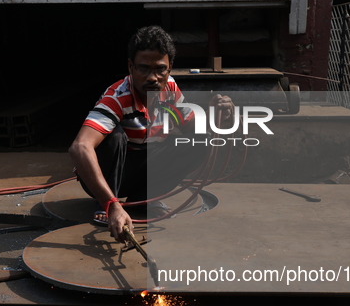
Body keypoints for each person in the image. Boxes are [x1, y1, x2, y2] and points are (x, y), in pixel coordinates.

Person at [69, 25, 232, 242]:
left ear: (170, 68)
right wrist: (112, 205)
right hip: (112, 175)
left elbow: (195, 130)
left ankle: (146, 198)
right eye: (144, 68)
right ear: (131, 67)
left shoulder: (170, 89)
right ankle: (107, 202)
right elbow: (79, 147)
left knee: (202, 140)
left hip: (144, 165)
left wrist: (216, 115)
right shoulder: (117, 97)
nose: (153, 77)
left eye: (160, 69)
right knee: (114, 137)